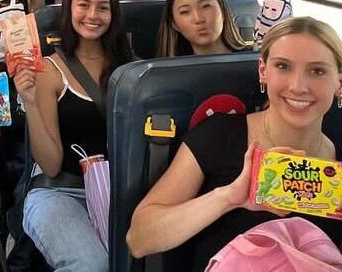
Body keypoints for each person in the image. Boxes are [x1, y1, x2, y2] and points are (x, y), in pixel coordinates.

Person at [127, 17, 342, 271]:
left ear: (339, 82)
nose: (298, 86)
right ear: (263, 72)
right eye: (283, 66)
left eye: (317, 71)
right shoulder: (219, 136)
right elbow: (139, 239)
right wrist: (229, 198)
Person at [13, 0, 135, 271]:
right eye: (83, 5)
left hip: (120, 190)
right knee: (93, 265)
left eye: (103, 7)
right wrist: (29, 101)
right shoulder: (49, 70)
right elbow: (51, 164)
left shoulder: (133, 68)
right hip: (60, 190)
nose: (93, 15)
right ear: (69, 10)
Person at [157, 0, 248, 57]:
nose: (199, 19)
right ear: (174, 23)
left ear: (223, 10)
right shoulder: (163, 72)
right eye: (185, 12)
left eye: (206, 6)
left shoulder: (256, 58)